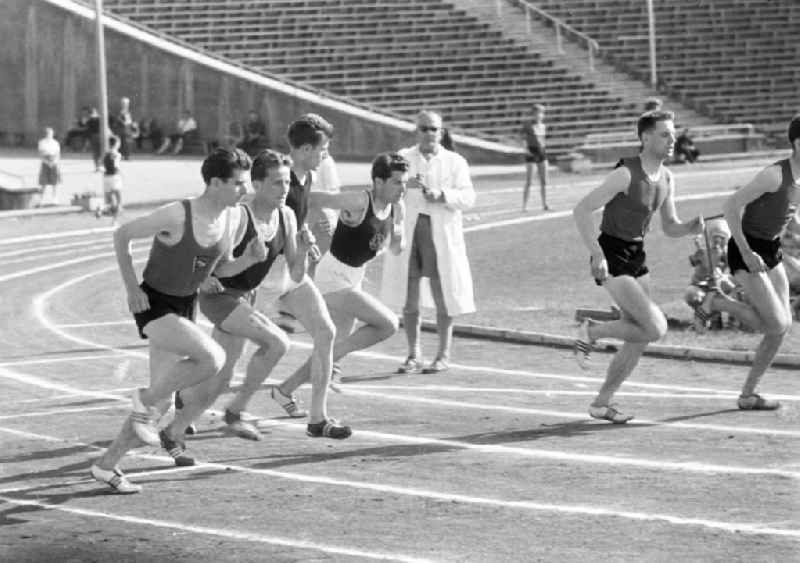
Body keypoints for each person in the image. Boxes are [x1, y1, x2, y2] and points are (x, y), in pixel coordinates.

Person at [90, 148, 256, 493]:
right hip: (153, 303)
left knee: (159, 404)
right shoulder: (177, 214)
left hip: (184, 305)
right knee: (212, 358)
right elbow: (122, 235)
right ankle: (142, 398)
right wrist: (131, 288)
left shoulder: (232, 217)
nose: (246, 189)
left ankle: (106, 466)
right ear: (214, 183)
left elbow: (221, 268)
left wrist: (250, 260)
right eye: (239, 183)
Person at [160, 149, 317, 452]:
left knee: (219, 376)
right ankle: (235, 411)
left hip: (246, 299)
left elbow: (296, 274)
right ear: (256, 185)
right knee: (277, 343)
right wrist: (207, 276)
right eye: (275, 183)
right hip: (220, 296)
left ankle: (175, 425)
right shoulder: (238, 215)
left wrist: (307, 253)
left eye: (286, 183)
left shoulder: (287, 216)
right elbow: (207, 253)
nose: (284, 190)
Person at [572, 110, 705, 424]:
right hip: (611, 253)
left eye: (672, 134)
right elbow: (582, 210)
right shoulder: (626, 173)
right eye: (665, 134)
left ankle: (601, 403)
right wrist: (596, 254)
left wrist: (689, 227)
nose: (672, 140)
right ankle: (591, 331)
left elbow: (670, 226)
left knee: (640, 336)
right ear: (645, 138)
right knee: (656, 327)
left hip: (637, 255)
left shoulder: (668, 177)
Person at [279, 152, 407, 397]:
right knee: (387, 324)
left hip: (355, 277)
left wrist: (399, 235)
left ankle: (285, 390)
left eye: (404, 182)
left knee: (331, 346)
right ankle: (331, 359)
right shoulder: (359, 200)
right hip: (332, 277)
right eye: (397, 182)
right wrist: (305, 227)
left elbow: (395, 248)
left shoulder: (396, 207)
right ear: (379, 182)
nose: (402, 188)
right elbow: (313, 199)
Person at [705, 115, 800, 411]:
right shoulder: (774, 174)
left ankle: (748, 394)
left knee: (780, 329)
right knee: (777, 323)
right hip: (747, 250)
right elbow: (730, 205)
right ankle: (718, 303)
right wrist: (746, 251)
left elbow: (788, 211)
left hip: (771, 251)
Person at [269, 113, 351, 438]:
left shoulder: (305, 179)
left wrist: (305, 235)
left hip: (290, 272)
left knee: (326, 331)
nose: (325, 155)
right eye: (323, 149)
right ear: (304, 150)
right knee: (226, 351)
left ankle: (318, 419)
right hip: (261, 274)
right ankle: (180, 400)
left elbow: (295, 216)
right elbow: (262, 218)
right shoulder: (279, 179)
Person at [380, 110, 476, 374]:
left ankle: (443, 354)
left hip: (440, 234)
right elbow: (384, 190)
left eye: (433, 129)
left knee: (443, 292)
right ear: (416, 131)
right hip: (410, 233)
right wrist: (403, 184)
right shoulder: (402, 158)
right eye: (424, 128)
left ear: (441, 131)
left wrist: (442, 195)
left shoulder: (455, 161)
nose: (429, 134)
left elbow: (468, 197)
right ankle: (413, 354)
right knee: (408, 298)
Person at [684, 218, 741, 332]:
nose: (718, 241)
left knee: (737, 287)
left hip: (716, 284)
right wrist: (699, 255)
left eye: (722, 238)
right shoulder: (703, 251)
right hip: (701, 285)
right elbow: (692, 262)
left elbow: (736, 271)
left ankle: (734, 320)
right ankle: (707, 319)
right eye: (715, 237)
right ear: (710, 238)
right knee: (693, 295)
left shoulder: (727, 253)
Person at [308, 153, 342, 276]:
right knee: (314, 264)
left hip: (324, 219)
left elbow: (334, 193)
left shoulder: (326, 161)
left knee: (318, 264)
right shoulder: (323, 162)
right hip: (316, 219)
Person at [521, 104, 549, 212]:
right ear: (533, 114)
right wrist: (526, 150)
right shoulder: (528, 125)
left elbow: (543, 141)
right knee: (529, 181)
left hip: (541, 153)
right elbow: (523, 139)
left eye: (542, 113)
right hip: (531, 153)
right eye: (537, 113)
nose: (540, 115)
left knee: (544, 181)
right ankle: (524, 206)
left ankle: (545, 204)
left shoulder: (543, 126)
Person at [98, 136, 124, 224]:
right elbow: (116, 166)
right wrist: (121, 173)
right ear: (116, 144)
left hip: (106, 177)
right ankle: (114, 221)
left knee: (109, 200)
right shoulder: (117, 154)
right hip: (114, 177)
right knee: (119, 199)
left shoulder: (106, 154)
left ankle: (101, 207)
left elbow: (100, 164)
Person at [37, 127, 62, 206]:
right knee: (43, 182)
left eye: (51, 133)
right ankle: (41, 199)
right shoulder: (42, 142)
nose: (49, 135)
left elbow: (58, 154)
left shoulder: (55, 143)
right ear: (45, 134)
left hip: (54, 162)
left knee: (55, 181)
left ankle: (55, 199)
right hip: (45, 162)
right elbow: (40, 154)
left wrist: (55, 162)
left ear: (53, 134)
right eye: (48, 133)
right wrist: (47, 162)